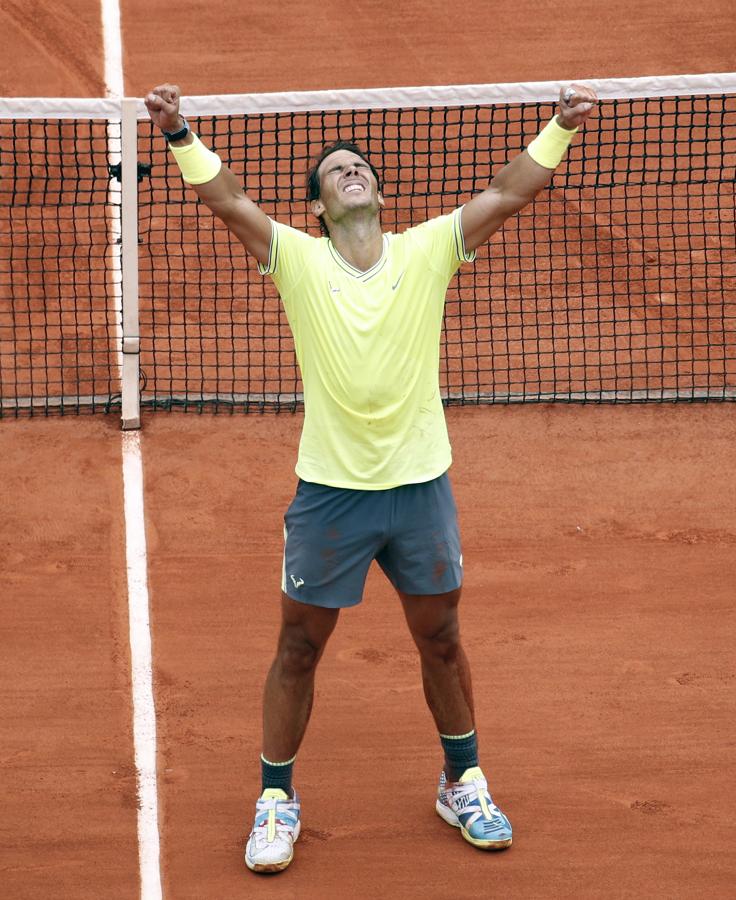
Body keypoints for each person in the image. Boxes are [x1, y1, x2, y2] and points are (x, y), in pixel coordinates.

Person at [145, 81, 597, 874]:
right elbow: (228, 201)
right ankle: (276, 800)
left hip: (421, 486)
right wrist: (180, 132)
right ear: (320, 206)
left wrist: (558, 126)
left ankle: (463, 781)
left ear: (379, 194)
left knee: (442, 638)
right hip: (330, 493)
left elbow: (508, 191)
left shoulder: (428, 249)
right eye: (334, 170)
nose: (350, 171)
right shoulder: (296, 258)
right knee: (297, 646)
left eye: (360, 166)